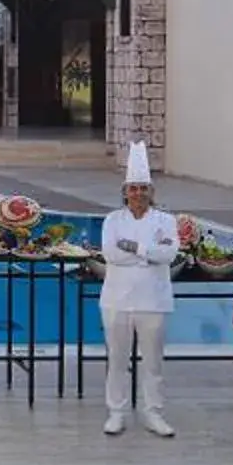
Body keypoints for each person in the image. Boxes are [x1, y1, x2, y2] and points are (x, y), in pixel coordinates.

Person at [97, 143, 178, 439]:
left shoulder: (166, 221)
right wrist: (148, 255)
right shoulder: (112, 221)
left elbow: (169, 255)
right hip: (117, 299)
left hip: (153, 300)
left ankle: (153, 412)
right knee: (117, 359)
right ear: (125, 191)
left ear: (151, 191)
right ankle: (116, 412)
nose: (139, 194)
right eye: (133, 188)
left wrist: (136, 248)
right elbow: (111, 255)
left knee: (153, 361)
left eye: (144, 188)